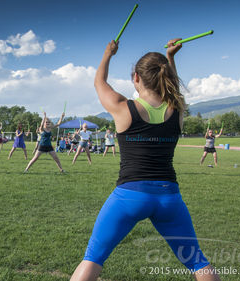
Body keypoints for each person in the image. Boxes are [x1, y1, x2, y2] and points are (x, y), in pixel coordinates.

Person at [70, 39, 221, 281]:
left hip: (130, 195)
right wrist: (171, 58)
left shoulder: (122, 107)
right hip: (169, 197)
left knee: (93, 258)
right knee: (197, 261)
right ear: (164, 77)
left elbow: (99, 82)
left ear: (136, 79)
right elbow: (175, 90)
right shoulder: (178, 109)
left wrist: (107, 53)